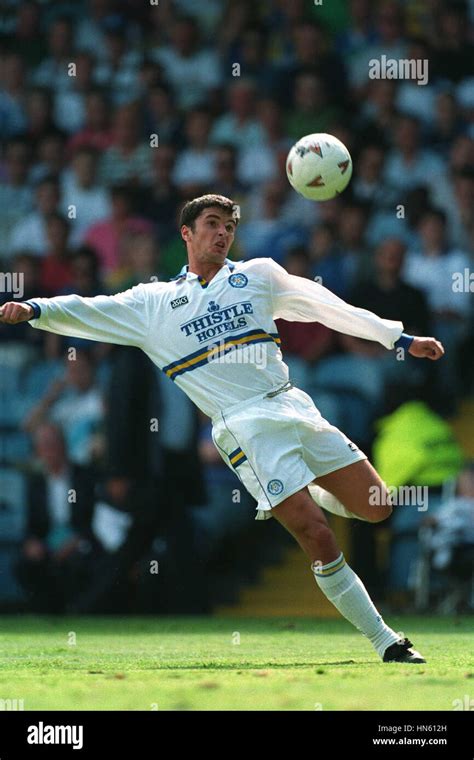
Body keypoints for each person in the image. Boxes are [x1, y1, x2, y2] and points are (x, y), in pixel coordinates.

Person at [0, 194, 445, 663]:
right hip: (244, 426)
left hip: (293, 406)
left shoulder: (258, 275)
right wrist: (34, 308)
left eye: (229, 226)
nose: (223, 232)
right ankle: (386, 642)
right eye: (212, 223)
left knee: (377, 507)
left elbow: (325, 306)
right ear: (186, 233)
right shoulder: (155, 304)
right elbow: (91, 308)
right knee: (316, 534)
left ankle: (308, 486)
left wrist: (400, 338)